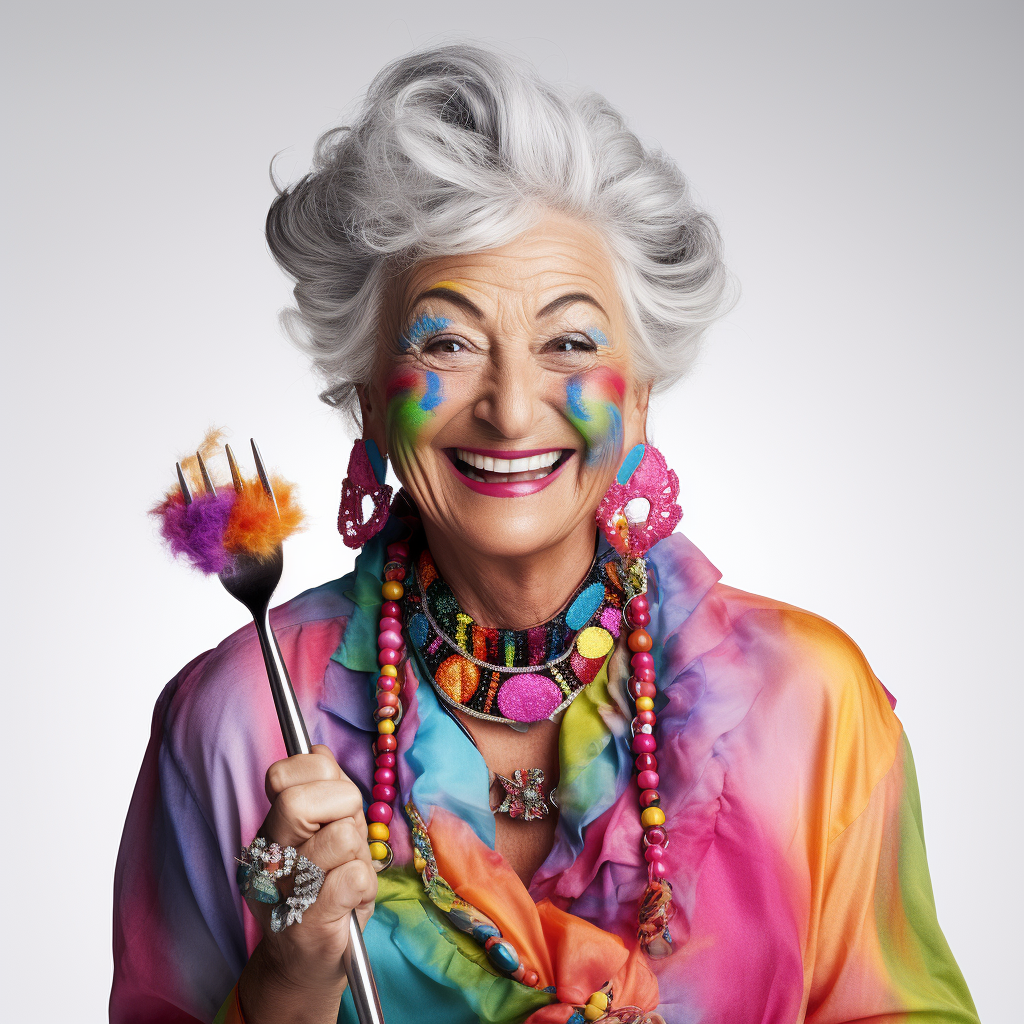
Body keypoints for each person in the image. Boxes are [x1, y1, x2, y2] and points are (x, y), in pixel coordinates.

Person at [110, 43, 978, 1024]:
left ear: (640, 395)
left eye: (569, 342)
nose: (512, 409)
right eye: (446, 342)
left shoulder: (809, 705)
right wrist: (290, 981)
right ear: (367, 397)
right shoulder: (236, 718)